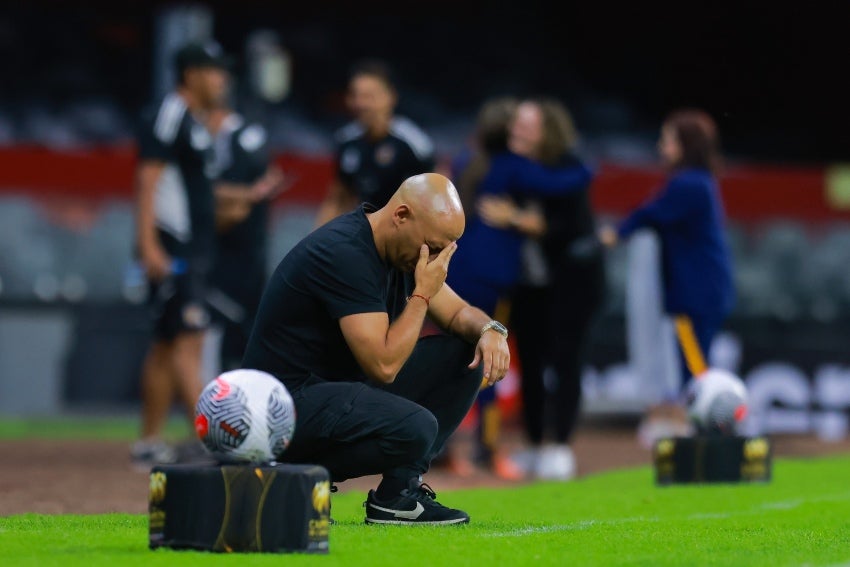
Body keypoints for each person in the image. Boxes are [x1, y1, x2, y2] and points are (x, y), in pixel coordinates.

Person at [241, 173, 511, 525]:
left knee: (465, 356)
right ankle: (288, 474)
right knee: (416, 427)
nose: (437, 259)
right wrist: (422, 295)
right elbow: (383, 366)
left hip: (331, 389)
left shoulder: (405, 250)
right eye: (434, 246)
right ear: (400, 215)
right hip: (283, 404)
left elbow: (460, 313)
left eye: (447, 249)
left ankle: (398, 496)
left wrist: (491, 330)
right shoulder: (346, 253)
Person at [445, 96, 594, 478]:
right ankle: (488, 448)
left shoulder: (468, 162)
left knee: (452, 359)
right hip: (492, 278)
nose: (520, 133)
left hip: (456, 270)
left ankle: (442, 447)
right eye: (515, 127)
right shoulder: (513, 166)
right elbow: (565, 180)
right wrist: (587, 167)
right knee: (488, 361)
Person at [598, 108, 735, 427]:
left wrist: (615, 234)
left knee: (696, 370)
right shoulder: (697, 181)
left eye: (668, 140)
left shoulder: (689, 184)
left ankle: (708, 434)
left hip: (696, 291)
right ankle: (705, 429)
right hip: (704, 289)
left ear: (686, 145)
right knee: (695, 366)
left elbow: (650, 213)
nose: (662, 146)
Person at [130, 40, 231, 466]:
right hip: (173, 246)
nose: (221, 79)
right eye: (213, 71)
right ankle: (214, 443)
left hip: (193, 248)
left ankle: (149, 441)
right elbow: (147, 179)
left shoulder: (194, 122)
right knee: (189, 339)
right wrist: (148, 243)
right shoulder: (169, 115)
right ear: (191, 75)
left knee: (165, 343)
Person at [205, 102, 287, 372]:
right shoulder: (229, 143)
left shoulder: (242, 140)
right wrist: (249, 193)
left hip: (238, 256)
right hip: (234, 255)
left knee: (235, 328)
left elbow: (238, 211)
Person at [313, 59, 436, 226]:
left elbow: (437, 197)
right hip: (365, 235)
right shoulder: (346, 141)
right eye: (355, 95)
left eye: (369, 96)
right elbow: (338, 197)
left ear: (390, 97)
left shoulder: (414, 144)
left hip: (405, 235)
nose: (361, 103)